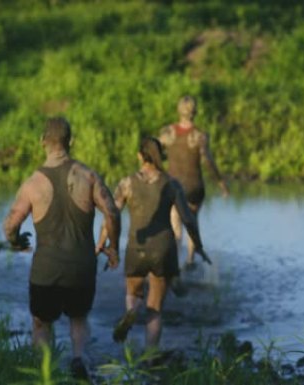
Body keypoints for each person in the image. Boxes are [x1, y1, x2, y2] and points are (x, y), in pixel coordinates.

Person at [3, 117, 121, 380]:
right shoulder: (88, 176)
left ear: (42, 142)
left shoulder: (33, 183)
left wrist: (16, 241)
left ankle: (45, 372)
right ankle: (79, 359)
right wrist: (113, 247)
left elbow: (10, 224)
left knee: (41, 323)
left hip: (46, 270)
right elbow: (112, 213)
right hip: (82, 266)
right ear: (71, 141)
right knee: (78, 318)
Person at [97, 137, 209, 351]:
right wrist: (199, 246)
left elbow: (111, 216)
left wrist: (102, 243)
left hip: (136, 247)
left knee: (133, 293)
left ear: (140, 155)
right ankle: (150, 356)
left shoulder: (127, 183)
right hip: (164, 249)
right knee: (155, 308)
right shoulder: (171, 184)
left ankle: (132, 312)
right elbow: (188, 219)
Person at [158, 95, 228, 268]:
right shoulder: (199, 136)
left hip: (173, 186)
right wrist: (220, 183)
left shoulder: (167, 133)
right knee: (192, 220)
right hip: (194, 186)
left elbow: (157, 154)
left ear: (178, 110)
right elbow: (208, 161)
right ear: (195, 112)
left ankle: (173, 263)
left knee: (175, 226)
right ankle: (190, 259)